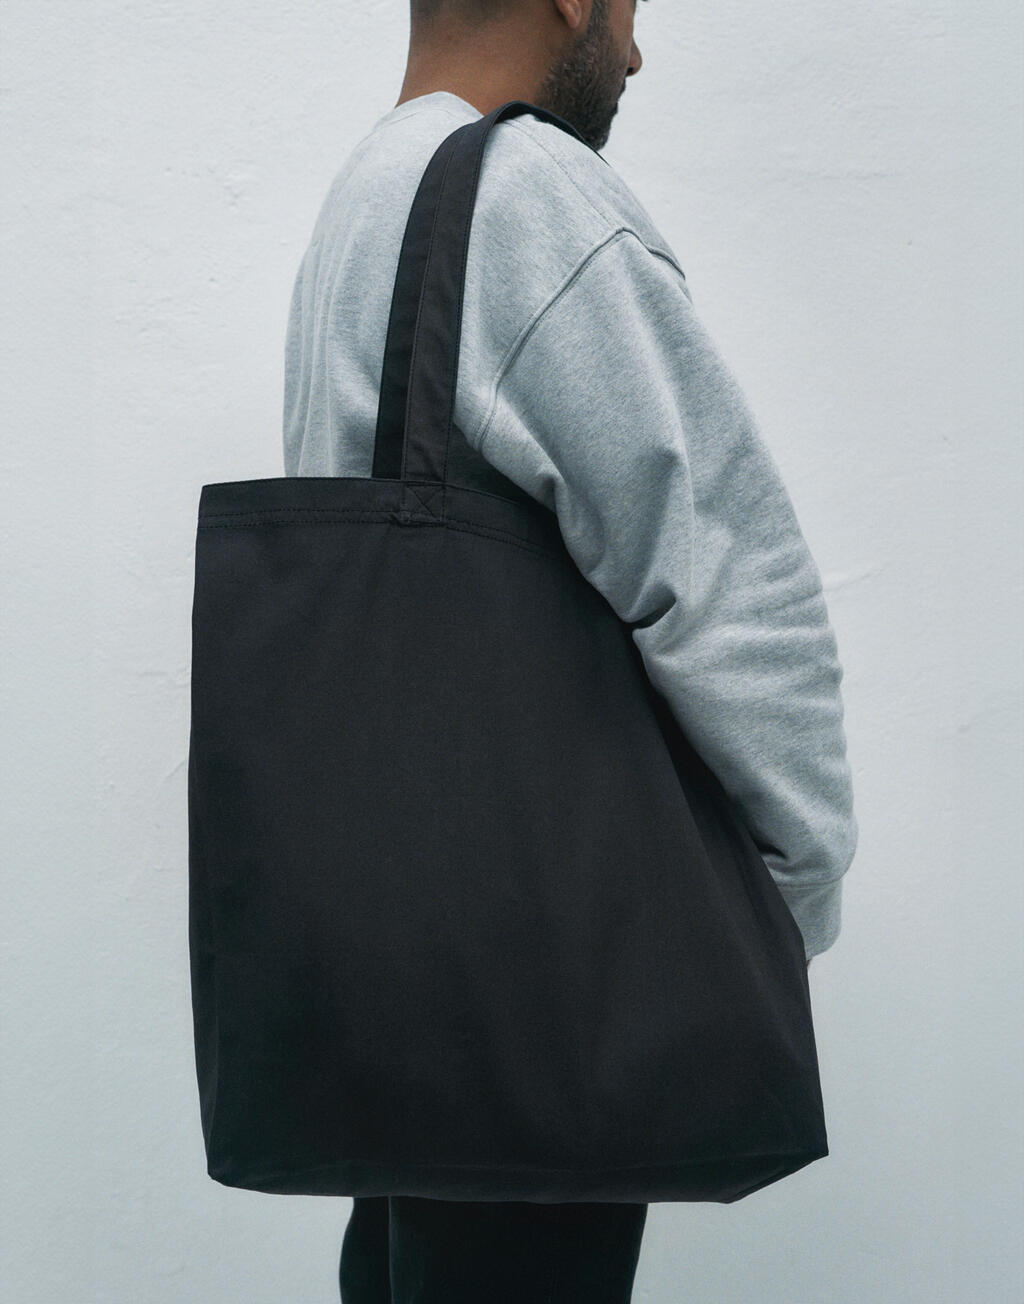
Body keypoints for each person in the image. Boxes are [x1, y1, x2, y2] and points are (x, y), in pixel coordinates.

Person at [282, 1, 858, 1298]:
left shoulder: (361, 201)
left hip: (397, 988)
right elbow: (734, 589)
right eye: (634, 5)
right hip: (539, 992)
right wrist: (789, 898)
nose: (636, 50)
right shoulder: (525, 195)